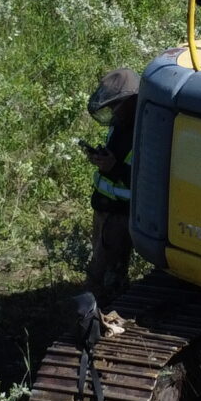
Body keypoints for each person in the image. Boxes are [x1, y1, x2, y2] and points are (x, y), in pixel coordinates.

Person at [83, 67, 140, 297]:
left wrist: (114, 168)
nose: (113, 111)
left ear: (131, 100)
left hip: (120, 215)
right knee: (99, 266)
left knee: (104, 277)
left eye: (116, 105)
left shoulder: (146, 130)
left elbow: (147, 181)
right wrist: (102, 159)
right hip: (104, 208)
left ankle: (103, 309)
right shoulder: (119, 125)